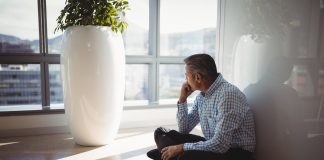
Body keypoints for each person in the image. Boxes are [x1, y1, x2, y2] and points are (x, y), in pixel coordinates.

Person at [147, 53, 256, 160]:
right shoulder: (201, 97)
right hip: (213, 144)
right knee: (161, 132)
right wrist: (182, 100)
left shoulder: (228, 95)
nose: (186, 80)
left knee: (187, 156)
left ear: (197, 77)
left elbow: (221, 145)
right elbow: (184, 129)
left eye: (186, 75)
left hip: (235, 152)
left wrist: (181, 148)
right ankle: (170, 155)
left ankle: (167, 155)